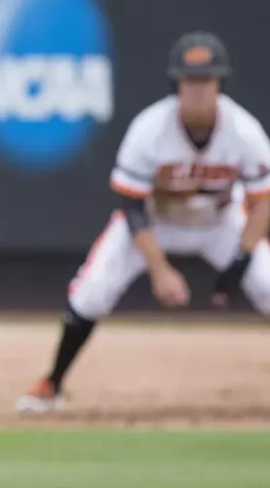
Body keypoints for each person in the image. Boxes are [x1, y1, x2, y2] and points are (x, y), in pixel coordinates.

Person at [16, 31, 270, 413]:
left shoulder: (244, 131)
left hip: (219, 222)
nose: (199, 90)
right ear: (177, 85)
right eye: (191, 81)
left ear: (220, 84)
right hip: (155, 223)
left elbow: (262, 198)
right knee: (91, 291)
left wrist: (242, 258)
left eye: (207, 80)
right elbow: (131, 206)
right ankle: (52, 384)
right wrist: (160, 270)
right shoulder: (150, 129)